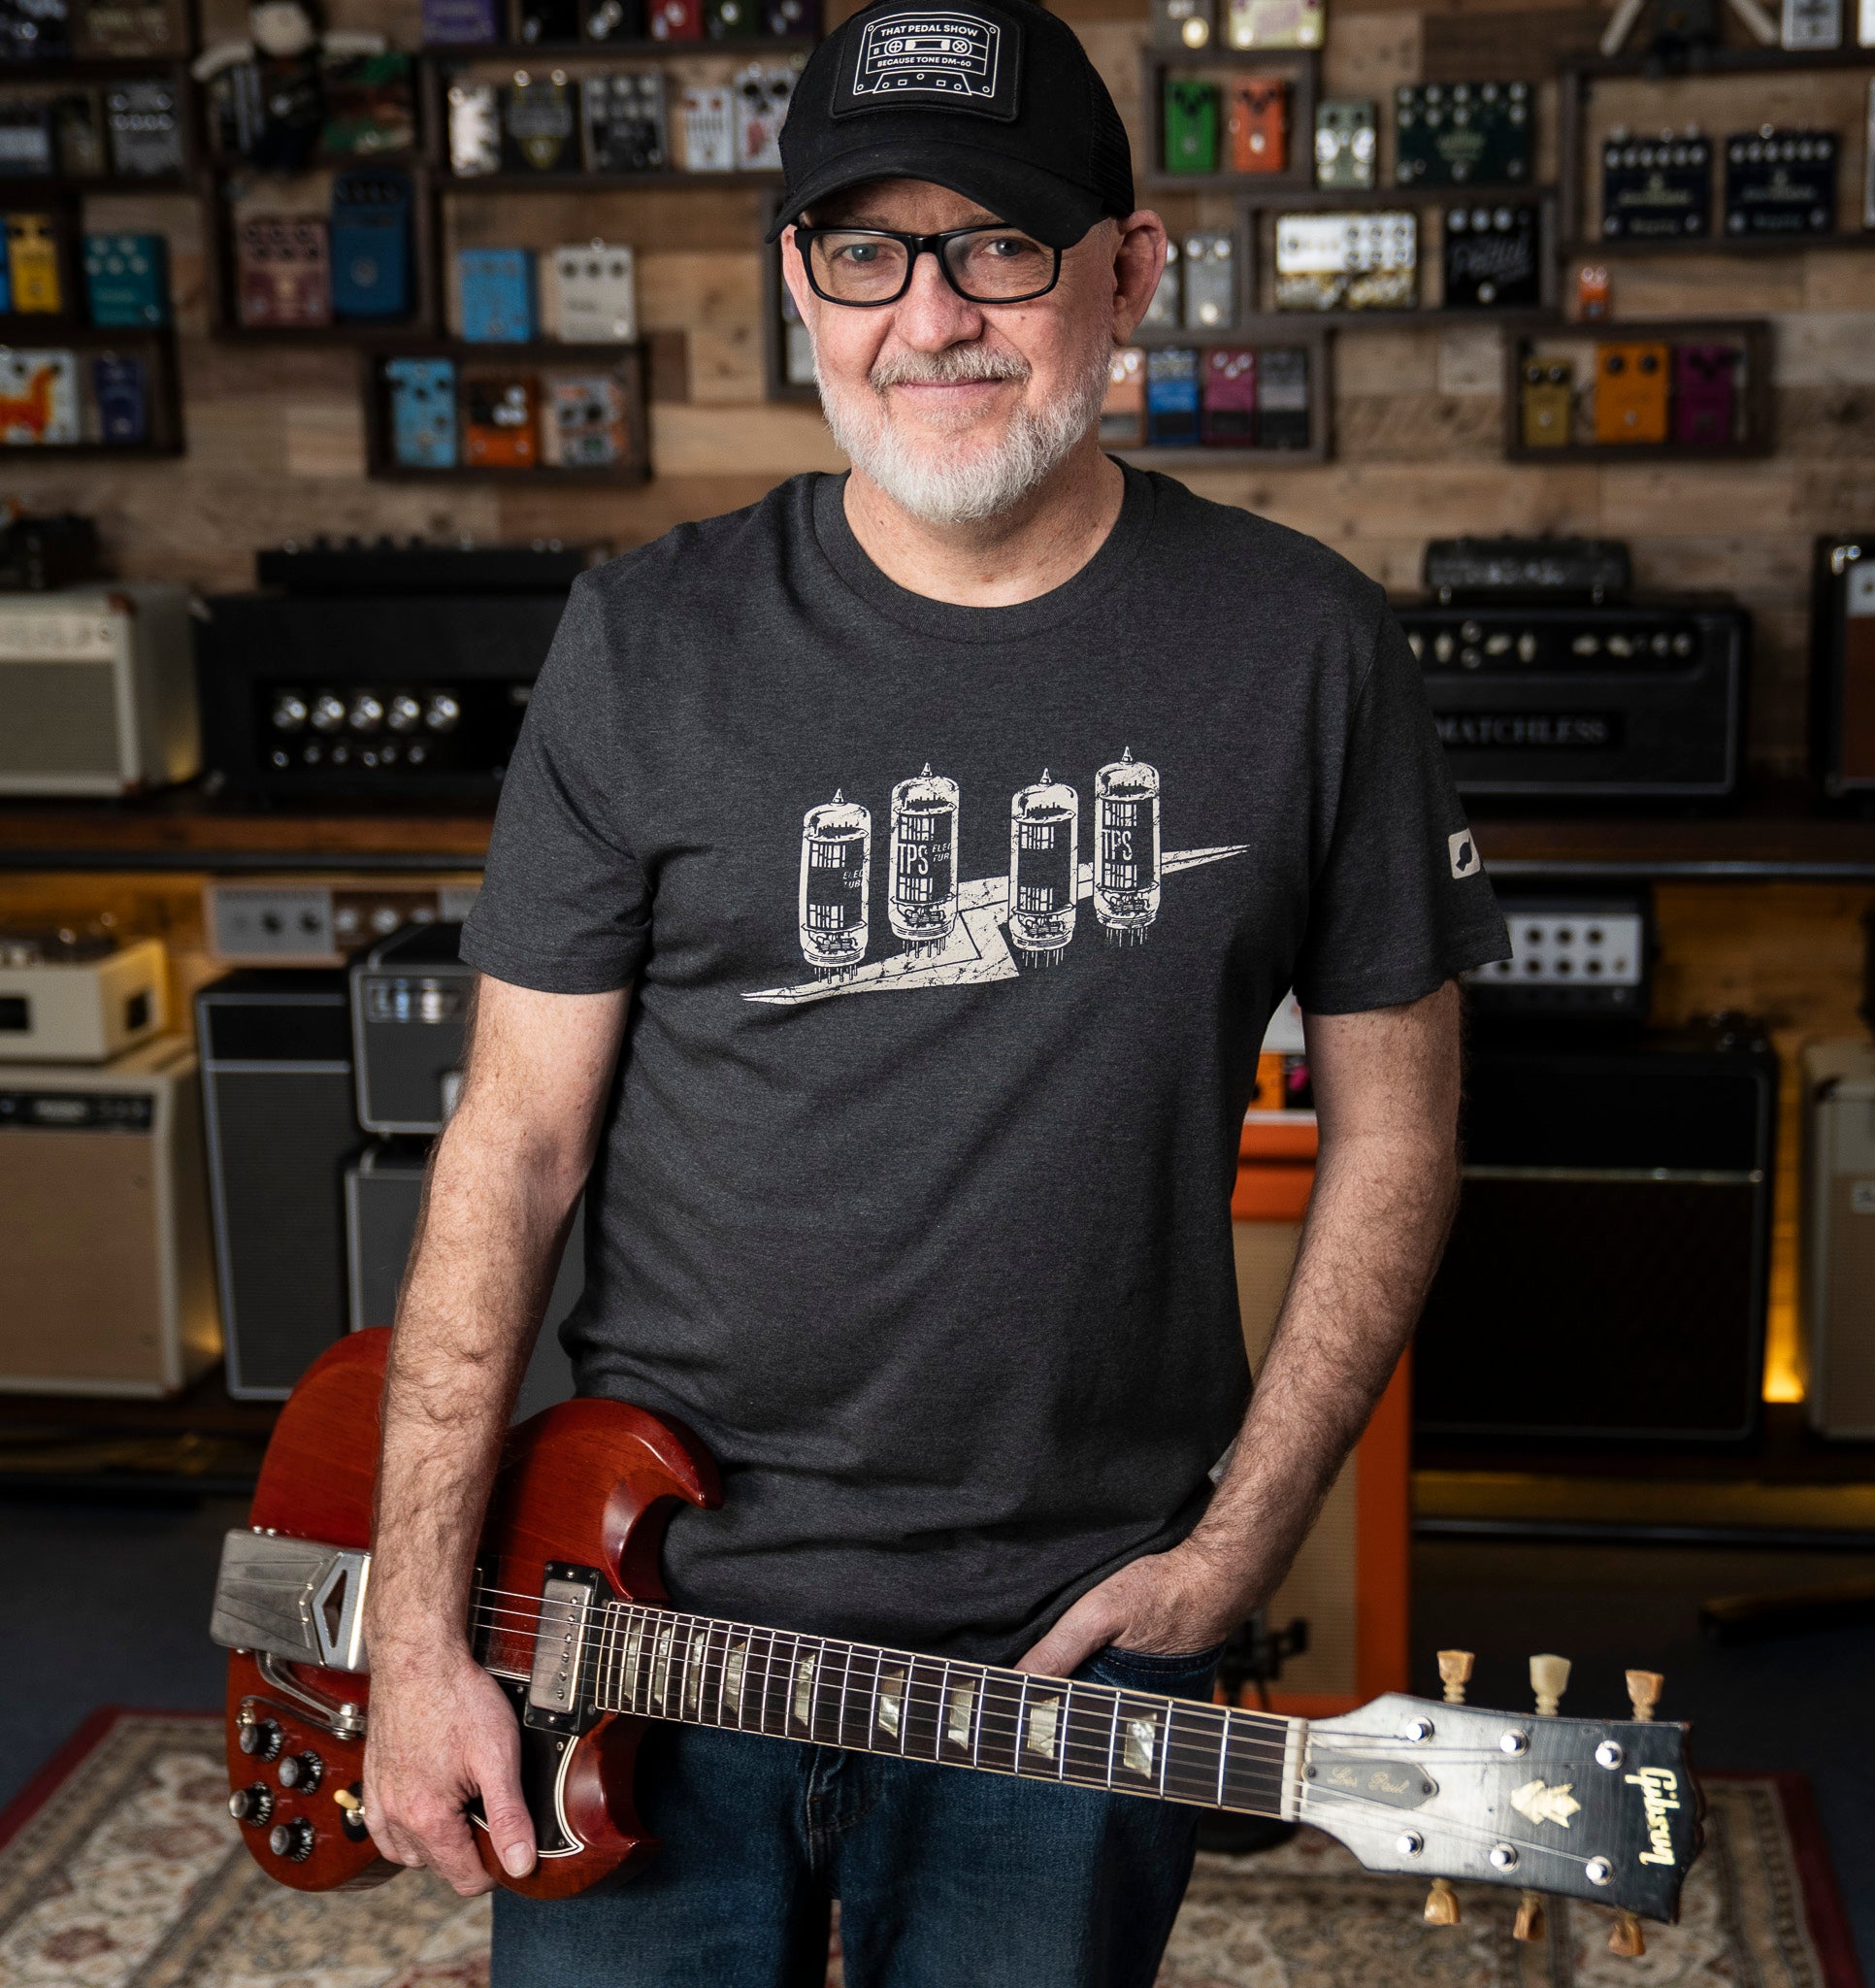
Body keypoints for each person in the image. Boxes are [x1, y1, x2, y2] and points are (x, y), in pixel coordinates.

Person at [358, 3, 1510, 1983]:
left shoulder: (1308, 652)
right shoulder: (644, 641)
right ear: (799, 279)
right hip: (638, 1613)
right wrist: (413, 1625)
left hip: (1071, 1647)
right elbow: (513, 1145)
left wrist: (1238, 1545)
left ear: (1127, 275)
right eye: (866, 251)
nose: (931, 317)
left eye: (998, 245)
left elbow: (1398, 1136)